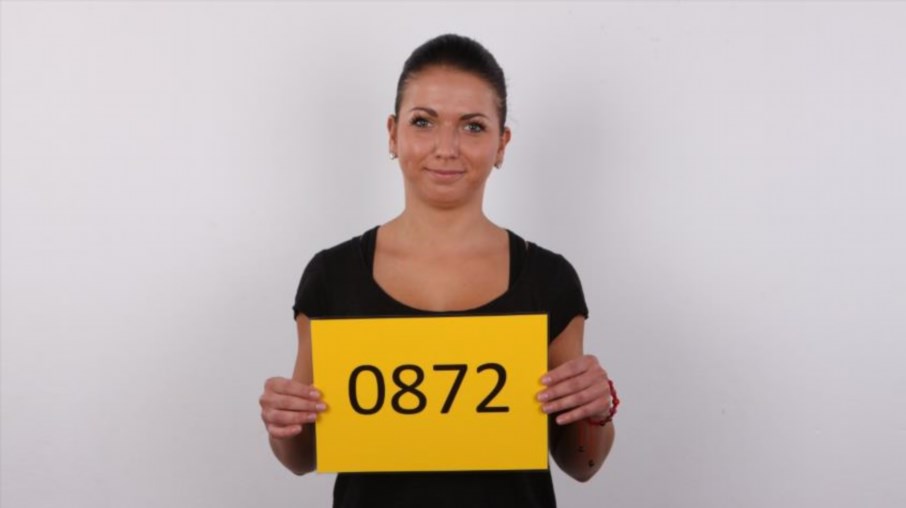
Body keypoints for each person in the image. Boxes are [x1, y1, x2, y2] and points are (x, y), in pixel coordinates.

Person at [259, 34, 617, 507]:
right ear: (393, 133)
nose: (446, 148)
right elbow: (302, 457)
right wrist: (284, 420)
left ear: (502, 143)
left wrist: (595, 408)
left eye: (473, 127)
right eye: (423, 122)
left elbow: (580, 464)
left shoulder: (548, 279)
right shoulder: (333, 275)